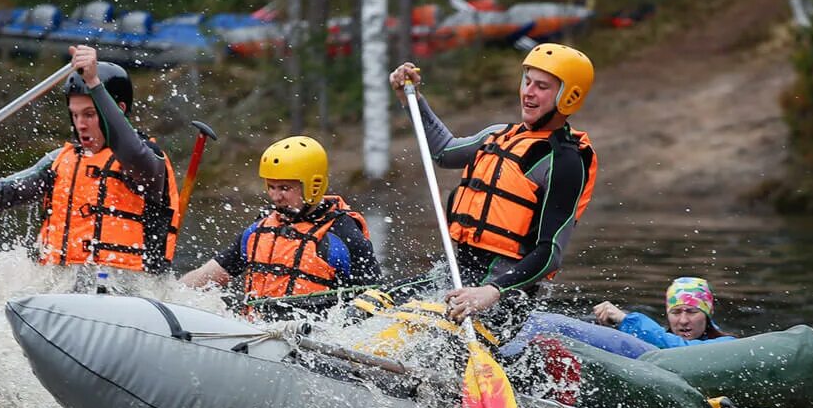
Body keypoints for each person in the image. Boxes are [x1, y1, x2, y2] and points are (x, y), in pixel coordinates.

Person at [387, 43, 598, 328]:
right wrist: (410, 98)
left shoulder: (565, 162)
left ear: (569, 96)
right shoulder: (497, 135)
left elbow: (550, 253)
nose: (528, 92)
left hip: (503, 297)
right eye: (527, 82)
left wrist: (492, 291)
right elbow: (443, 152)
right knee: (374, 303)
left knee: (408, 330)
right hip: (456, 275)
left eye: (542, 87)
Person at [0, 45, 180, 284]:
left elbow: (129, 148)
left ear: (119, 109)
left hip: (133, 289)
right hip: (66, 286)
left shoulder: (148, 160)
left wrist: (94, 84)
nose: (80, 124)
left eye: (90, 114)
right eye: (75, 114)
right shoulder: (58, 161)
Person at [179, 135, 381, 311]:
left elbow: (373, 299)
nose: (276, 197)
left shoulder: (343, 234)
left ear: (312, 185)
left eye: (284, 188)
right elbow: (210, 275)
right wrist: (170, 294)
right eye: (271, 187)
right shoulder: (260, 229)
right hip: (254, 336)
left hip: (309, 343)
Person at [593, 276, 736, 348]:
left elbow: (683, 350)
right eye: (676, 312)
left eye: (692, 312)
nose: (683, 320)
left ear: (707, 315)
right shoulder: (656, 337)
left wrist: (627, 320)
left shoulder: (727, 344)